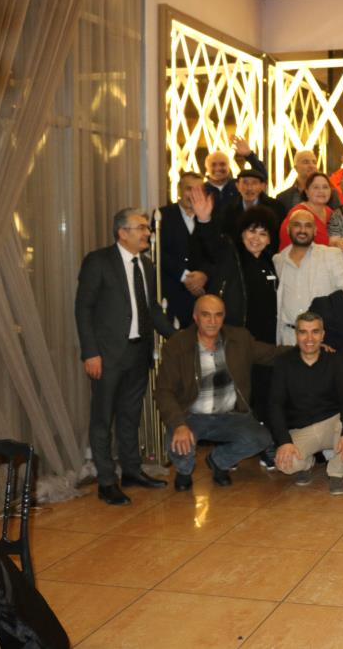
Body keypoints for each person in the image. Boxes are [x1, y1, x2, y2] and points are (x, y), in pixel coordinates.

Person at [75, 208, 177, 505]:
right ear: (122, 233)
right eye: (142, 228)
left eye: (147, 228)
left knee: (131, 416)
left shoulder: (146, 264)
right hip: (106, 356)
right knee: (102, 419)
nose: (148, 233)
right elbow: (83, 309)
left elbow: (152, 309)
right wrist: (90, 352)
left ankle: (131, 470)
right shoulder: (98, 261)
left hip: (138, 353)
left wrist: (177, 337)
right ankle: (107, 481)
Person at [154, 295, 280, 491]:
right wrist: (179, 424)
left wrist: (308, 348)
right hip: (192, 416)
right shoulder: (177, 345)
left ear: (224, 317)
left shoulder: (239, 339)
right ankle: (184, 471)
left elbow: (272, 354)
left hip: (231, 416)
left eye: (218, 315)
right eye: (206, 315)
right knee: (177, 439)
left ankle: (219, 461)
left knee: (260, 438)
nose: (212, 321)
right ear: (195, 317)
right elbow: (164, 391)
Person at [186, 187, 280, 427]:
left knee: (264, 394)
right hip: (237, 337)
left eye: (263, 233)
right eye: (251, 231)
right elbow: (211, 243)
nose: (256, 238)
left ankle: (262, 440)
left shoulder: (272, 262)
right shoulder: (231, 254)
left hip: (267, 340)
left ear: (270, 239)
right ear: (242, 233)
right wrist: (204, 219)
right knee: (236, 396)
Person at [268, 312, 343, 494]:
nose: (309, 338)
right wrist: (284, 442)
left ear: (323, 335)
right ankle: (306, 463)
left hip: (330, 424)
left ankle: (337, 473)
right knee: (285, 465)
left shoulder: (335, 361)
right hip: (301, 429)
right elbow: (275, 405)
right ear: (296, 335)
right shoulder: (283, 363)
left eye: (315, 332)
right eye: (303, 332)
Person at [274, 209, 343, 345]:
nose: (302, 230)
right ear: (288, 229)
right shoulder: (278, 260)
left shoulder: (330, 255)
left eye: (308, 225)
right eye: (297, 225)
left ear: (315, 230)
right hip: (288, 338)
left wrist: (324, 315)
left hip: (323, 338)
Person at [156, 171, 206, 328]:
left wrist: (203, 275)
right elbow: (158, 252)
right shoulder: (162, 215)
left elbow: (215, 254)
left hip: (202, 294)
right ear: (179, 190)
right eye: (189, 189)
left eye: (198, 190)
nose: (193, 194)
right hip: (172, 293)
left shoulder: (210, 217)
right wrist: (185, 277)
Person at [217, 168, 285, 242]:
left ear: (263, 186)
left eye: (254, 183)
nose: (249, 188)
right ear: (237, 186)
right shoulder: (228, 209)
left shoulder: (276, 208)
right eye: (245, 183)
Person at [202, 135, 269, 206]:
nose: (218, 168)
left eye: (222, 164)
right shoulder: (201, 190)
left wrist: (249, 155)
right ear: (207, 168)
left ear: (229, 166)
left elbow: (262, 177)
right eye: (213, 165)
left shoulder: (240, 186)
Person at [278, 171, 334, 250]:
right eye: (316, 187)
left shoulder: (330, 212)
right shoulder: (297, 214)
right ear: (306, 191)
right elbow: (288, 246)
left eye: (325, 187)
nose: (321, 191)